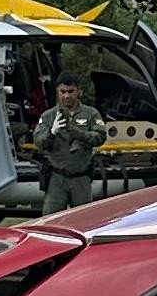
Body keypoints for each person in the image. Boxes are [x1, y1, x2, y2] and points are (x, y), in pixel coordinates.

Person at [30, 72, 104, 213]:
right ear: (57, 91)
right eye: (62, 92)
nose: (66, 96)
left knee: (84, 220)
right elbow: (38, 142)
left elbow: (100, 136)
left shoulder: (91, 113)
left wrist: (78, 133)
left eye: (71, 91)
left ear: (79, 91)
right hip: (57, 178)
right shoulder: (48, 116)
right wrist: (52, 132)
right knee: (50, 221)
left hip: (81, 178)